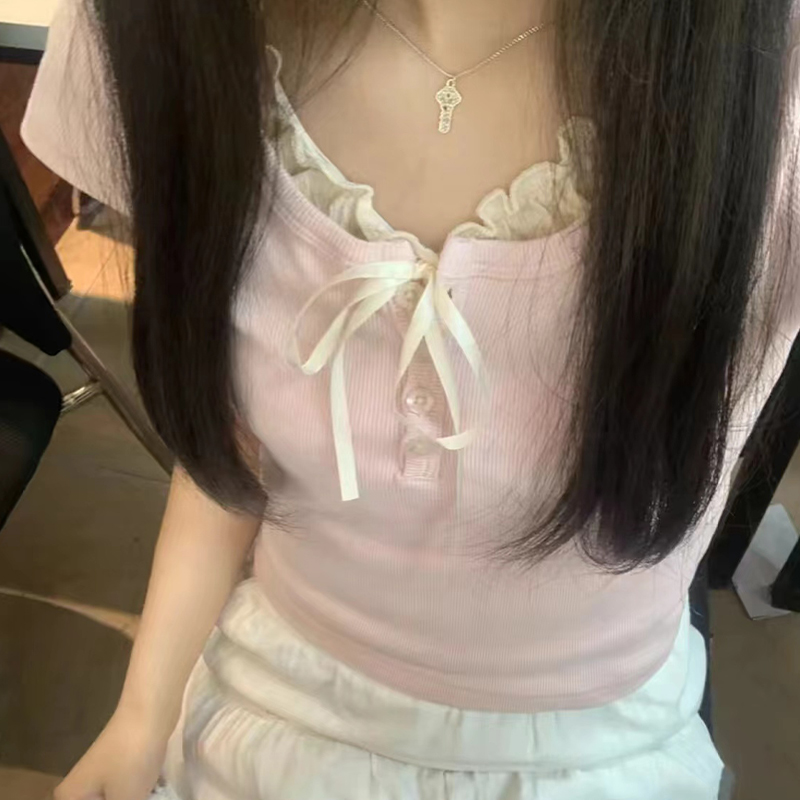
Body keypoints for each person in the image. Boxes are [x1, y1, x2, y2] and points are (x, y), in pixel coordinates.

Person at [22, 1, 800, 798]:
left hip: (601, 750)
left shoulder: (773, 86)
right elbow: (236, 445)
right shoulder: (163, 30)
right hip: (273, 706)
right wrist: (143, 716)